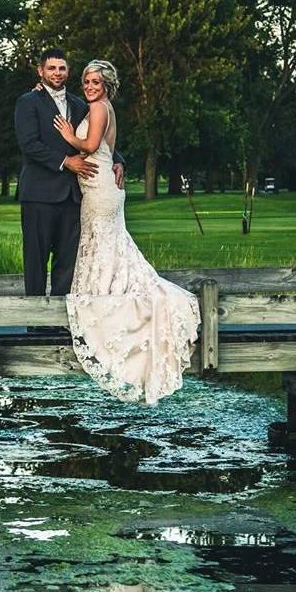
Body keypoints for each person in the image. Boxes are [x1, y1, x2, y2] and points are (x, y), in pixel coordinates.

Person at [53, 59, 200, 404]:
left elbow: (89, 146)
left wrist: (67, 135)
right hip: (99, 187)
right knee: (107, 243)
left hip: (101, 190)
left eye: (95, 81)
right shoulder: (100, 107)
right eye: (86, 81)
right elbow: (104, 148)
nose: (89, 86)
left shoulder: (100, 108)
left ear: (106, 85)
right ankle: (105, 291)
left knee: (105, 242)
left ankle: (107, 296)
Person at [14, 48, 125, 297]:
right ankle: (35, 320)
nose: (57, 72)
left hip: (74, 196)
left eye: (61, 68)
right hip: (39, 194)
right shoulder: (28, 102)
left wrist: (119, 162)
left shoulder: (79, 103)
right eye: (51, 68)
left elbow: (97, 139)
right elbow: (29, 144)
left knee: (68, 262)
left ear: (68, 71)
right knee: (36, 259)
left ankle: (60, 319)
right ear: (41, 70)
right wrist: (66, 161)